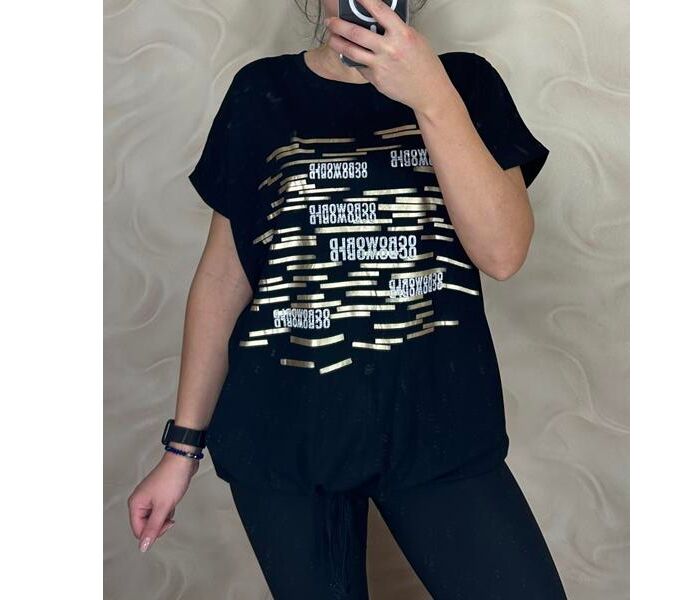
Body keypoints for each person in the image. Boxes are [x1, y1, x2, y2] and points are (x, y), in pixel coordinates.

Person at [127, 0, 567, 597]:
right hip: (284, 436)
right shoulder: (260, 92)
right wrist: (182, 449)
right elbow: (224, 279)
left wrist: (431, 95)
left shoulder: (466, 83)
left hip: (439, 427)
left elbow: (503, 253)